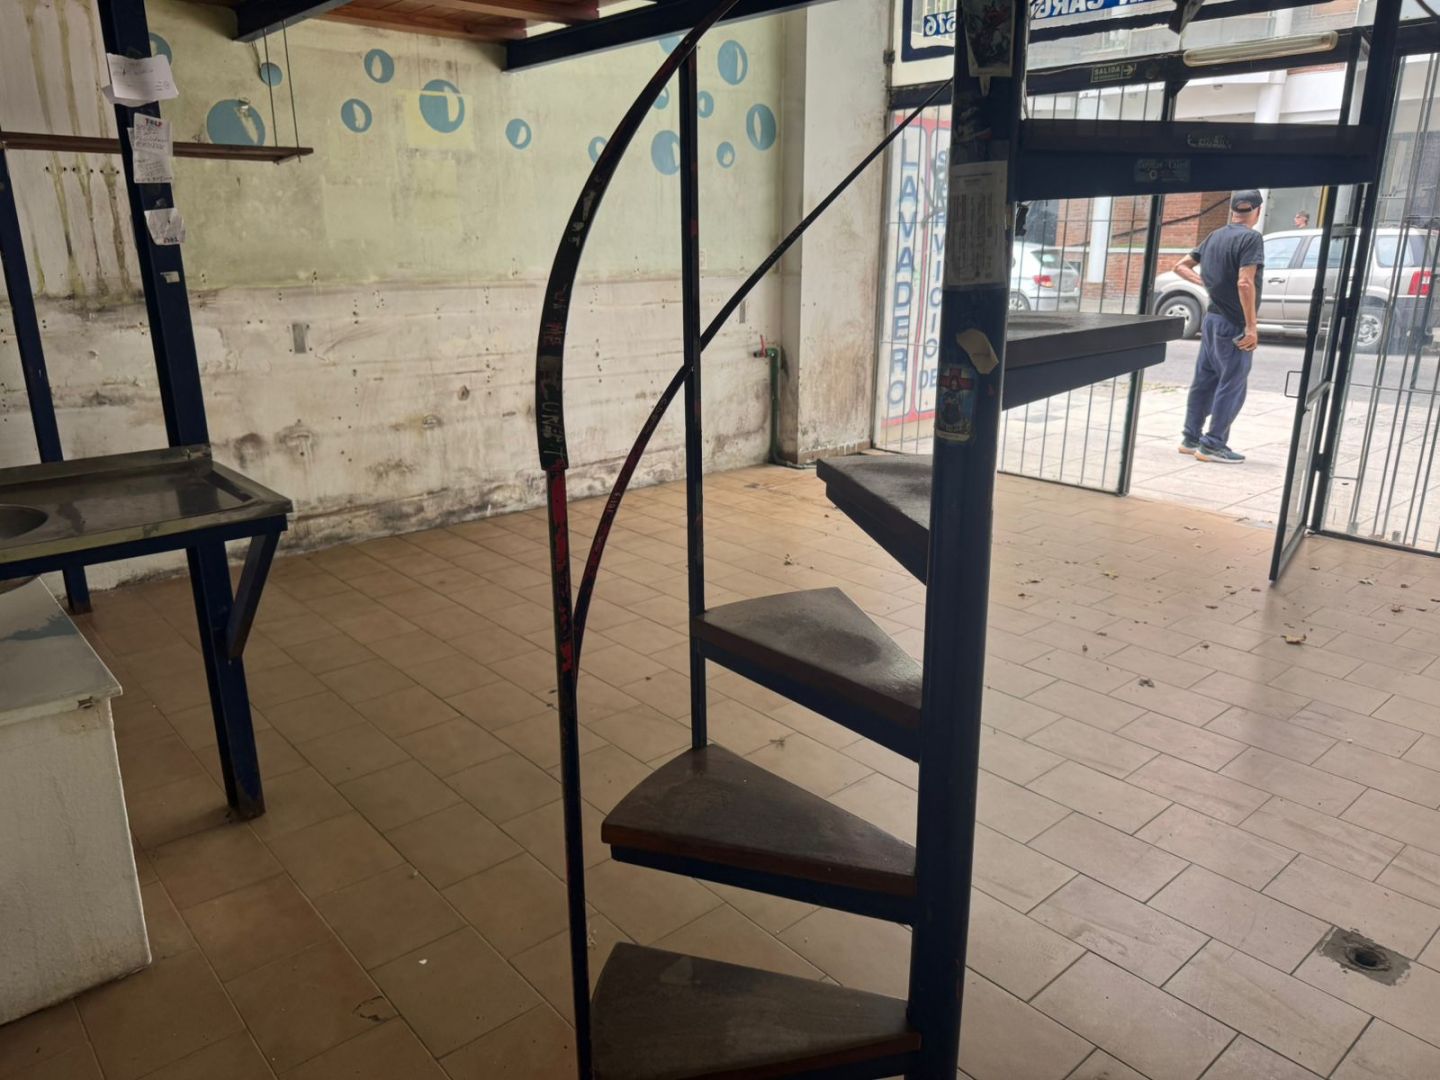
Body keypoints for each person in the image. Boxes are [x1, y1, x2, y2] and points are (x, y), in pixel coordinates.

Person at [1172, 189, 1265, 464]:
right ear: (1257, 211)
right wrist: (1251, 327)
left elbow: (1180, 266)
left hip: (1211, 321)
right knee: (1232, 385)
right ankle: (1213, 444)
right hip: (1233, 323)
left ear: (1232, 210)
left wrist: (1208, 284)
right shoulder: (1251, 238)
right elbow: (1245, 282)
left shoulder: (1215, 236)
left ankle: (1190, 438)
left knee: (1204, 381)